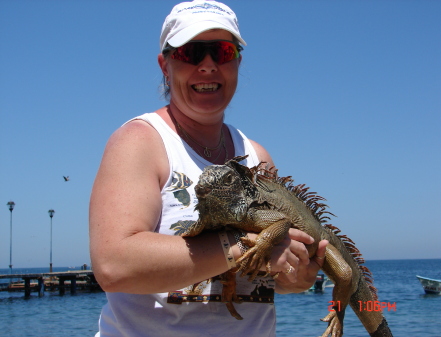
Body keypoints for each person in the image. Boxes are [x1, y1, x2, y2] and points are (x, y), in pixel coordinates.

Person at [89, 1, 328, 336]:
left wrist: (297, 277)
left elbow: (273, 279)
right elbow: (114, 265)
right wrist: (243, 244)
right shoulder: (140, 142)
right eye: (191, 52)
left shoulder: (256, 156)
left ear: (237, 62)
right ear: (165, 64)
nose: (208, 65)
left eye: (223, 51)